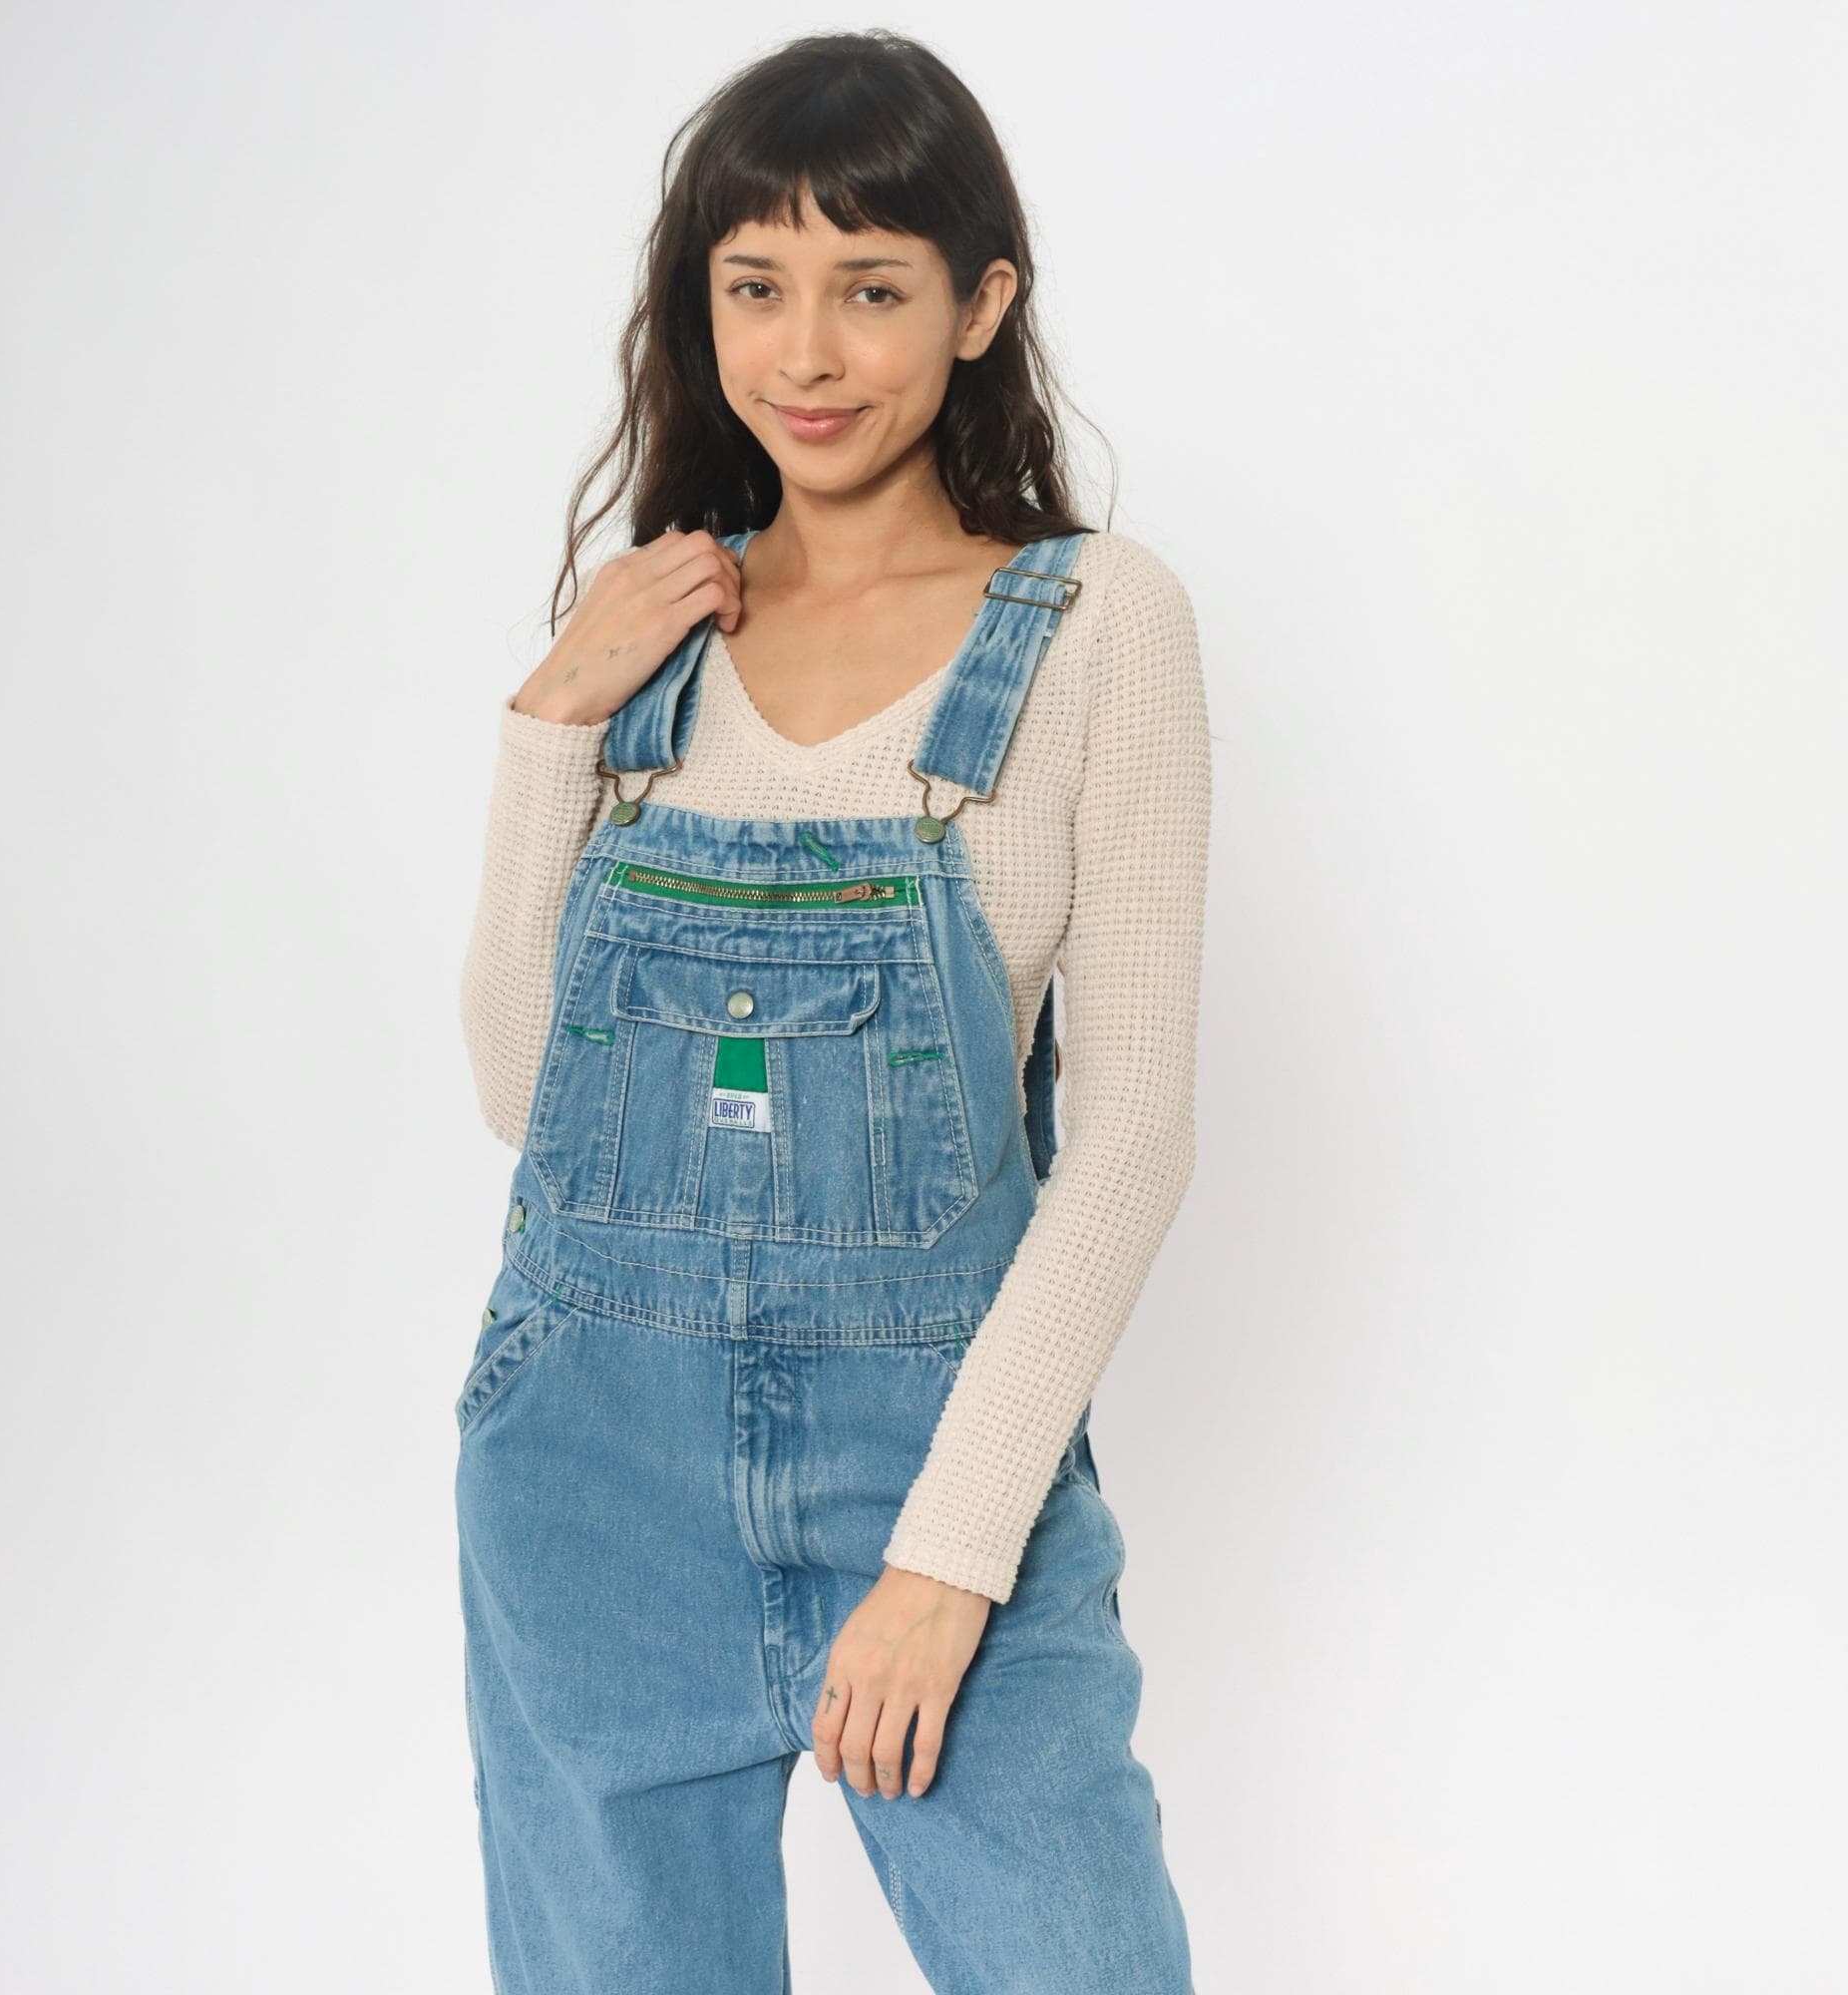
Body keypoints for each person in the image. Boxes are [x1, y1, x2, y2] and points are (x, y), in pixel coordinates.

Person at [455, 29, 1210, 1993]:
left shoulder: (1096, 624)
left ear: (981, 304)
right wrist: (551, 717)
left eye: (871, 288)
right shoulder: (652, 634)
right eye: (755, 285)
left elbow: (1131, 1135)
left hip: (943, 1460)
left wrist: (950, 1561)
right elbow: (528, 1096)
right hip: (593, 1489)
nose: (806, 351)